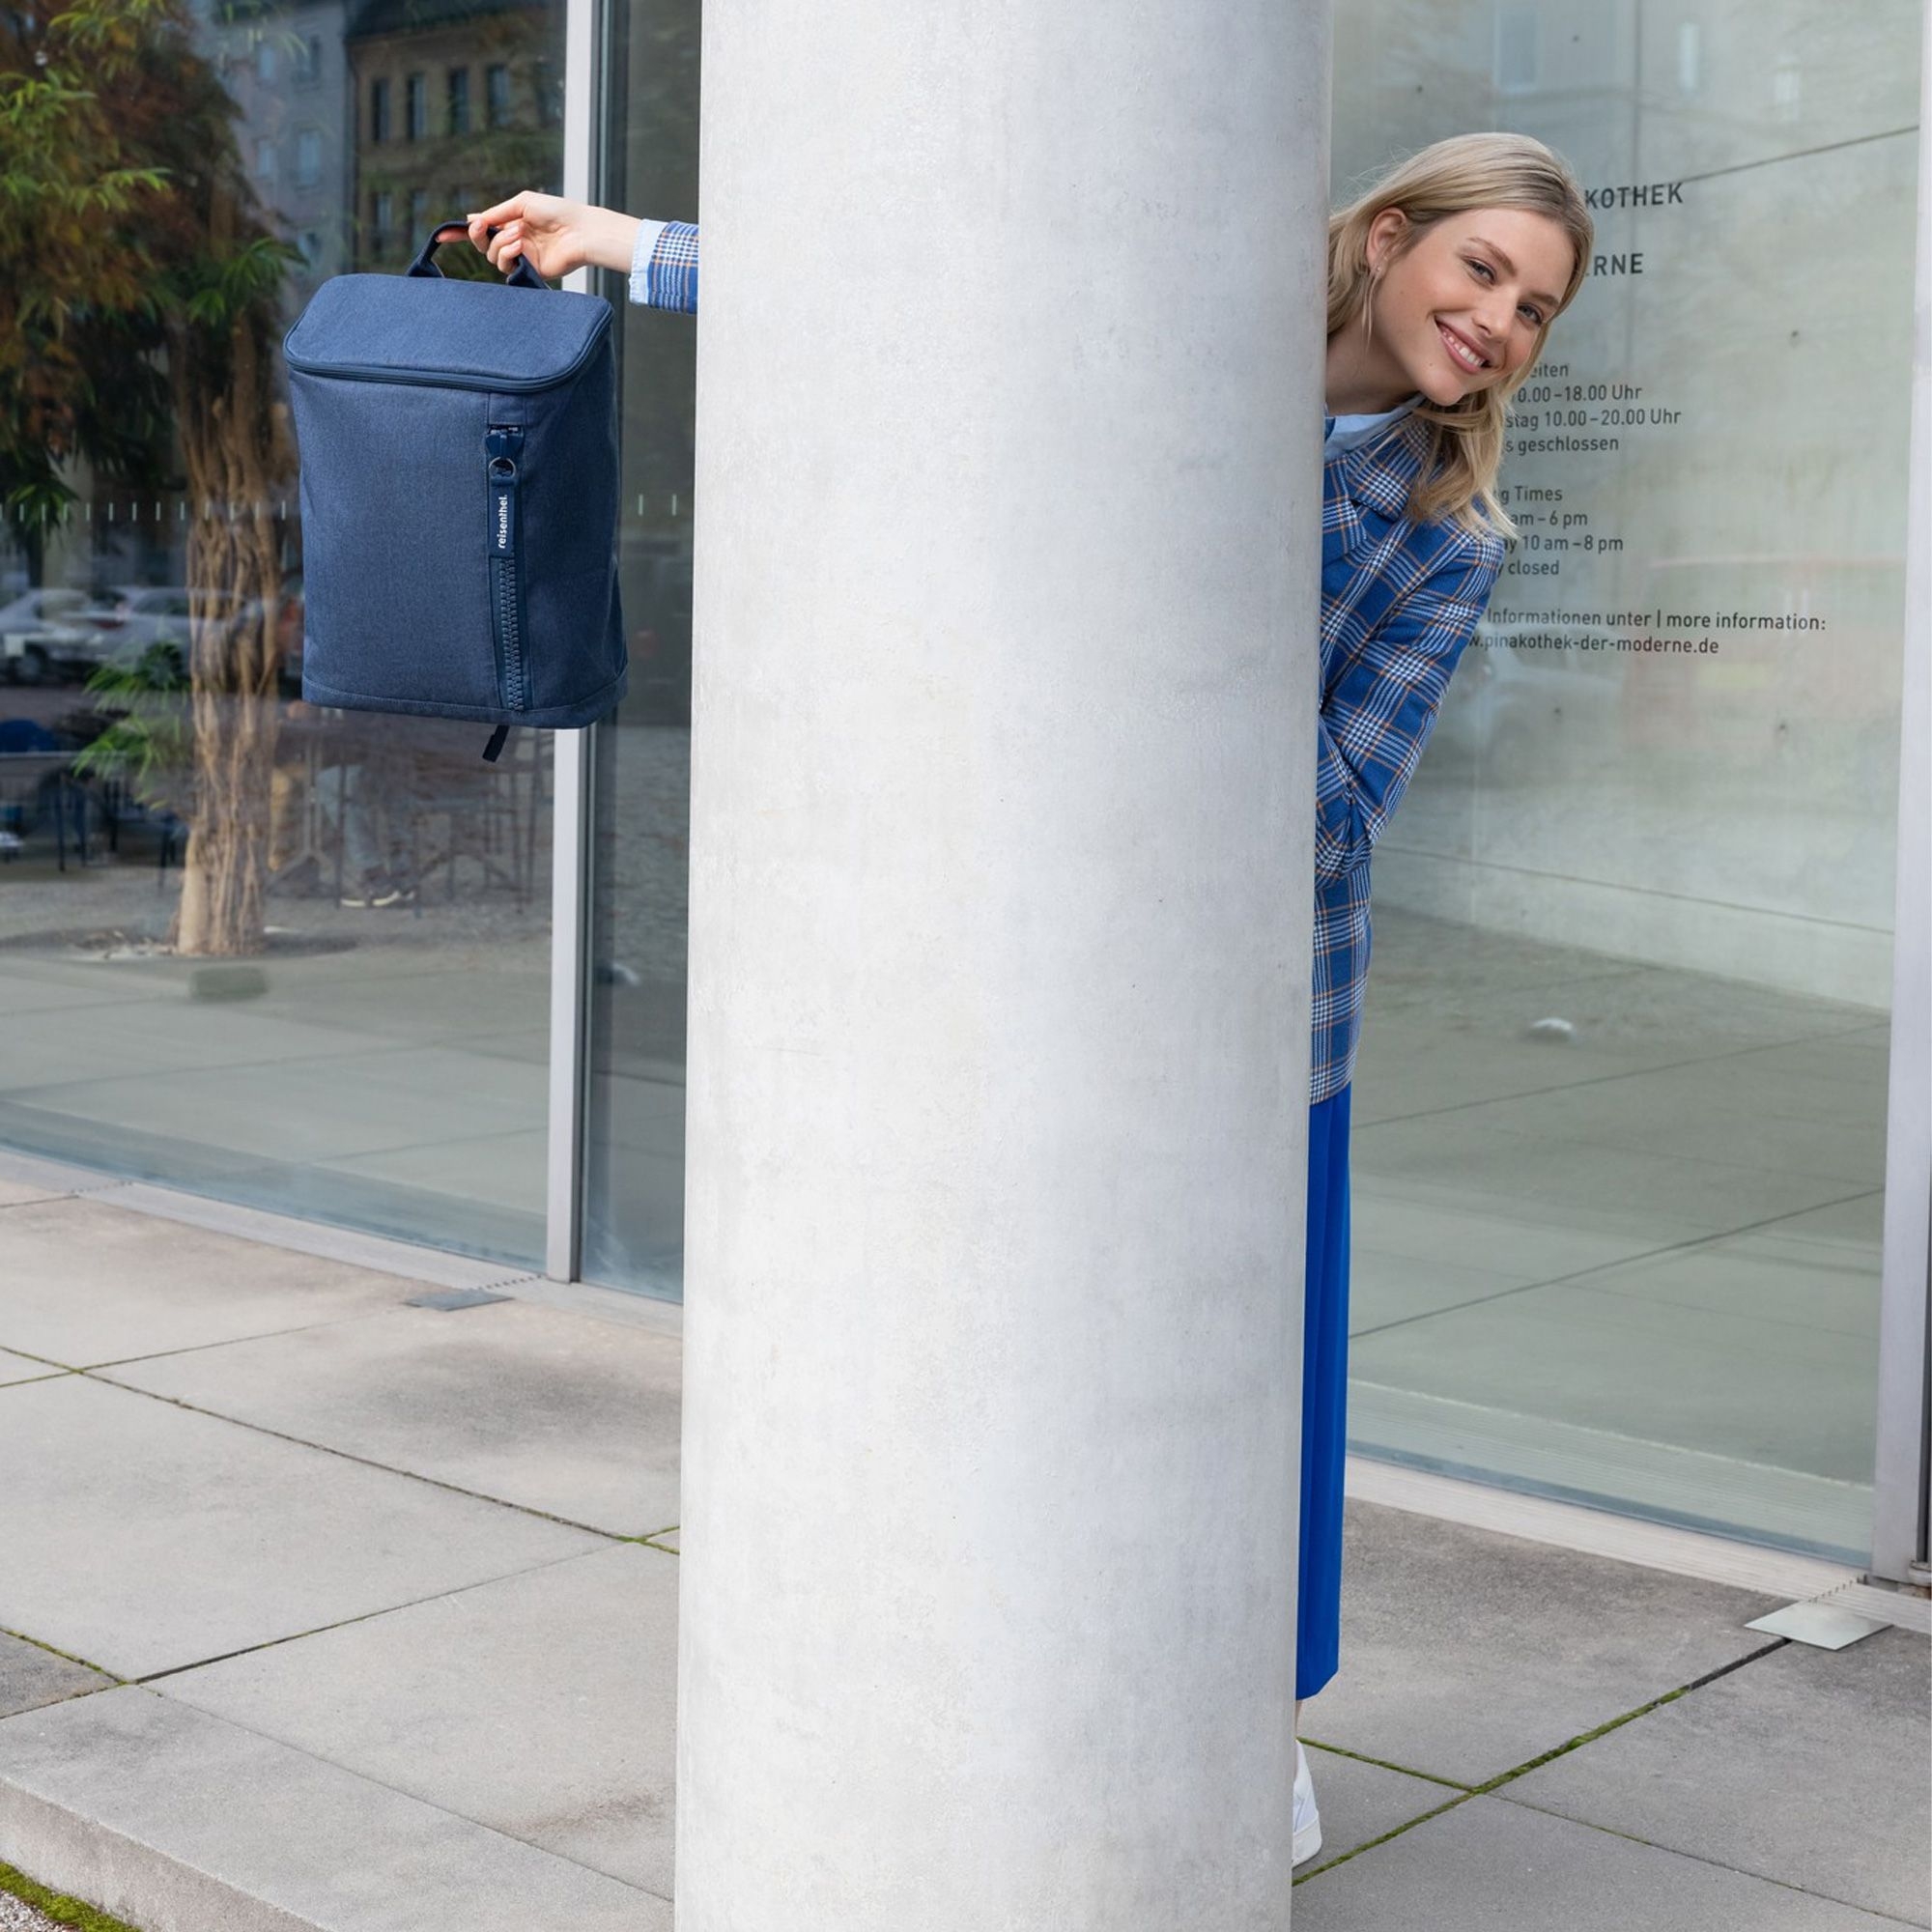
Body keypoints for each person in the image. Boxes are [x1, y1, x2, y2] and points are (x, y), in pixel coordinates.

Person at [467, 130, 1592, 1868]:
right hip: (1002, 972)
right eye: (1483, 273)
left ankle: (1253, 1726)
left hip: (1248, 1034)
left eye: (1535, 310)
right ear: (1389, 240)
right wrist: (617, 240)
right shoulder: (1172, 332)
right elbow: (905, 309)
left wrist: (1175, 666)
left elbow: (1344, 810)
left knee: (1248, 1400)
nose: (1499, 324)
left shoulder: (1445, 534)